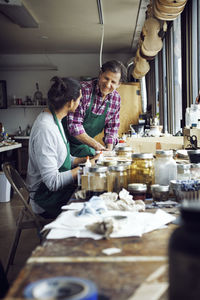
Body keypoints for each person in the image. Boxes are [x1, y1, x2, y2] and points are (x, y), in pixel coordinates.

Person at [26, 76, 98, 219]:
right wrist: (85, 168)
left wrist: (85, 160)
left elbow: (62, 159)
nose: (80, 102)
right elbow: (52, 182)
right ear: (71, 103)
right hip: (45, 198)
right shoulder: (45, 129)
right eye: (79, 99)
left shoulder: (55, 120)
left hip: (53, 192)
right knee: (92, 205)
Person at [62, 60, 127, 157]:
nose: (108, 85)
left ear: (119, 84)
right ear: (100, 74)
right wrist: (97, 145)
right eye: (106, 78)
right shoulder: (83, 90)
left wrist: (108, 150)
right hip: (64, 143)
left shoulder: (115, 99)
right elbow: (74, 126)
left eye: (113, 82)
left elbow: (112, 128)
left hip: (83, 146)